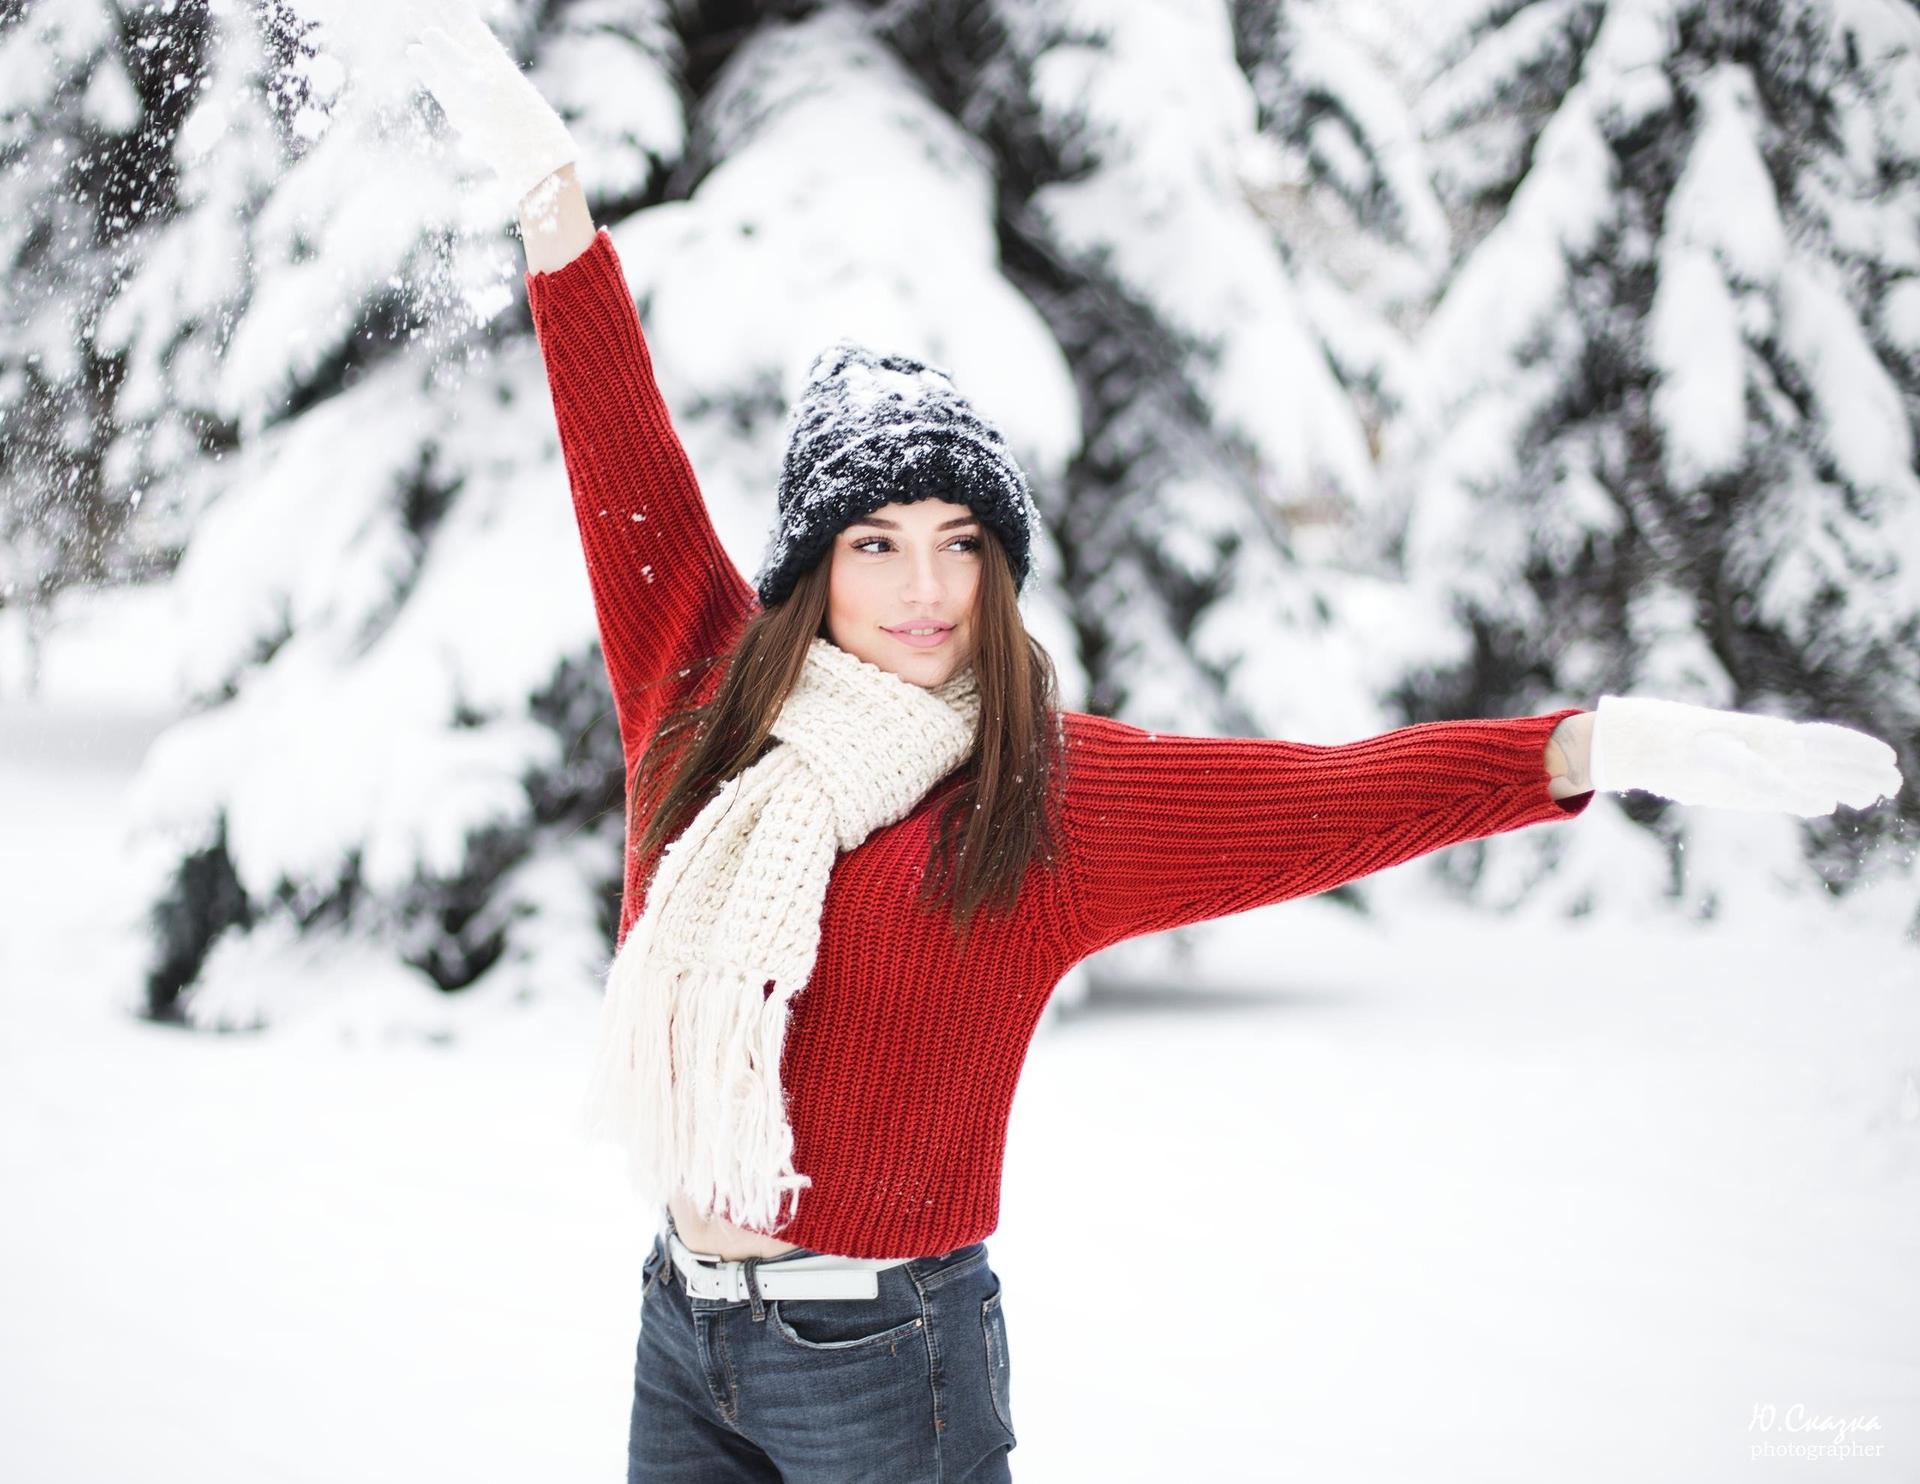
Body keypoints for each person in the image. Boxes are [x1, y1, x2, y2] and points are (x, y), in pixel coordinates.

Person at [400, 6, 1904, 1479]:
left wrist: (1584, 750)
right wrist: (551, 197)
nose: (926, 589)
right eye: (877, 543)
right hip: (682, 1335)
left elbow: (1326, 801)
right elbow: (619, 439)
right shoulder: (707, 703)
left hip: (890, 1364)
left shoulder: (1035, 793)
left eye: (961, 543)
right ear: (812, 573)